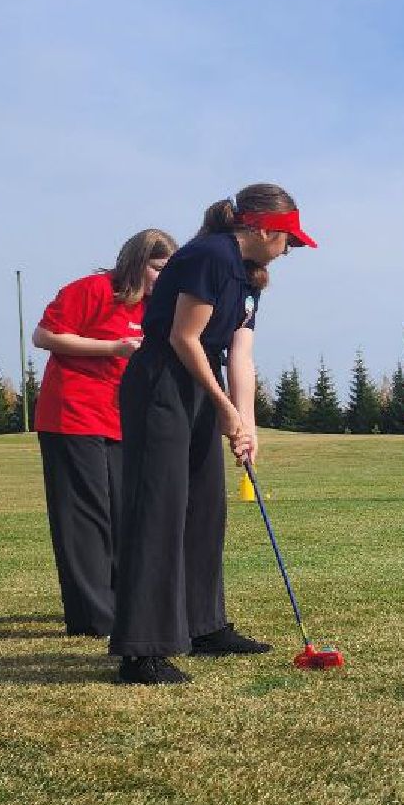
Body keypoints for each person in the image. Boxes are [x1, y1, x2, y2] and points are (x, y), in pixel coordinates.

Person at [108, 184, 316, 684]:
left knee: (206, 504)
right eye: (288, 239)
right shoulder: (209, 256)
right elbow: (183, 337)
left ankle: (203, 625)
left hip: (202, 383)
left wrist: (245, 421)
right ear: (264, 228)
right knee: (159, 506)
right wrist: (224, 407)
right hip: (162, 381)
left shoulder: (249, 278)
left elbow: (239, 354)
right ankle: (143, 650)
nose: (289, 250)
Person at [31, 229, 177, 638]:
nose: (162, 278)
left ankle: (119, 601)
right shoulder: (92, 290)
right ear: (136, 263)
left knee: (122, 513)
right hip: (72, 415)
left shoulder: (157, 307)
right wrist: (113, 348)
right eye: (157, 269)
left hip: (120, 418)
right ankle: (93, 616)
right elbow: (44, 336)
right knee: (84, 516)